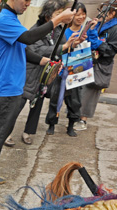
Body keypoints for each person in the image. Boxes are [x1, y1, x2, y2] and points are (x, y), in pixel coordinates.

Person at [0, 0, 73, 184]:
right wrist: (58, 19)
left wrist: (43, 61)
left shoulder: (12, 18)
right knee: (1, 128)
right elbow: (28, 38)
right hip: (6, 85)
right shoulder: (5, 19)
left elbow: (23, 49)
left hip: (10, 84)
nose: (28, 3)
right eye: (25, 0)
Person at [12, 0, 81, 145]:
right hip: (30, 73)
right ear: (48, 15)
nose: (61, 16)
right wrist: (63, 47)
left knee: (37, 104)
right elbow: (38, 50)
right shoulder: (36, 29)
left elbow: (63, 48)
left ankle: (28, 132)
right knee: (17, 105)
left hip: (45, 75)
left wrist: (72, 45)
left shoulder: (59, 30)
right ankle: (6, 132)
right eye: (58, 13)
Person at [44, 2, 93, 137]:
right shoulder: (63, 31)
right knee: (56, 97)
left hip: (78, 68)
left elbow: (93, 46)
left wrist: (92, 32)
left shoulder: (87, 30)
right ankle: (52, 123)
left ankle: (71, 125)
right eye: (77, 14)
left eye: (83, 14)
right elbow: (59, 49)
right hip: (62, 69)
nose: (80, 17)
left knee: (75, 100)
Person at [76, 1, 117, 130]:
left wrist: (97, 41)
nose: (101, 14)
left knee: (90, 92)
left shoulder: (116, 30)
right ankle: (74, 116)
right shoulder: (99, 24)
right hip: (86, 60)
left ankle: (83, 120)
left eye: (104, 11)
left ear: (112, 14)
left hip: (100, 65)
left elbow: (111, 51)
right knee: (78, 89)